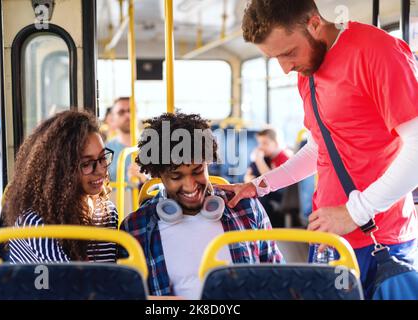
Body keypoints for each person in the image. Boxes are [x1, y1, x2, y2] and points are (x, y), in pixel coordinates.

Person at [218, 0, 418, 298]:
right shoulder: (308, 68)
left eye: (288, 53)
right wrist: (259, 185)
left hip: (380, 239)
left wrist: (355, 211)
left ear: (314, 24)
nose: (286, 68)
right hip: (328, 233)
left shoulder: (376, 51)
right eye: (275, 59)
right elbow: (319, 149)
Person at [120, 112, 284, 299]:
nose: (190, 186)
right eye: (176, 177)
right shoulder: (136, 229)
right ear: (159, 175)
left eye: (198, 171)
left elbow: (276, 278)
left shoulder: (245, 208)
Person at [2, 110, 119, 263]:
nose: (101, 170)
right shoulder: (34, 223)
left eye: (103, 158)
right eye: (87, 163)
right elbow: (68, 283)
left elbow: (109, 276)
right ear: (61, 170)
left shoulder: (107, 212)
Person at [244, 127, 292, 227]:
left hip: (281, 195)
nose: (261, 147)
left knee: (259, 199)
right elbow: (249, 173)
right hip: (269, 191)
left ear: (276, 143)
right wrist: (248, 178)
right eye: (260, 143)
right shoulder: (268, 157)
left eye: (265, 143)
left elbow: (272, 180)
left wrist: (259, 159)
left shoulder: (283, 157)